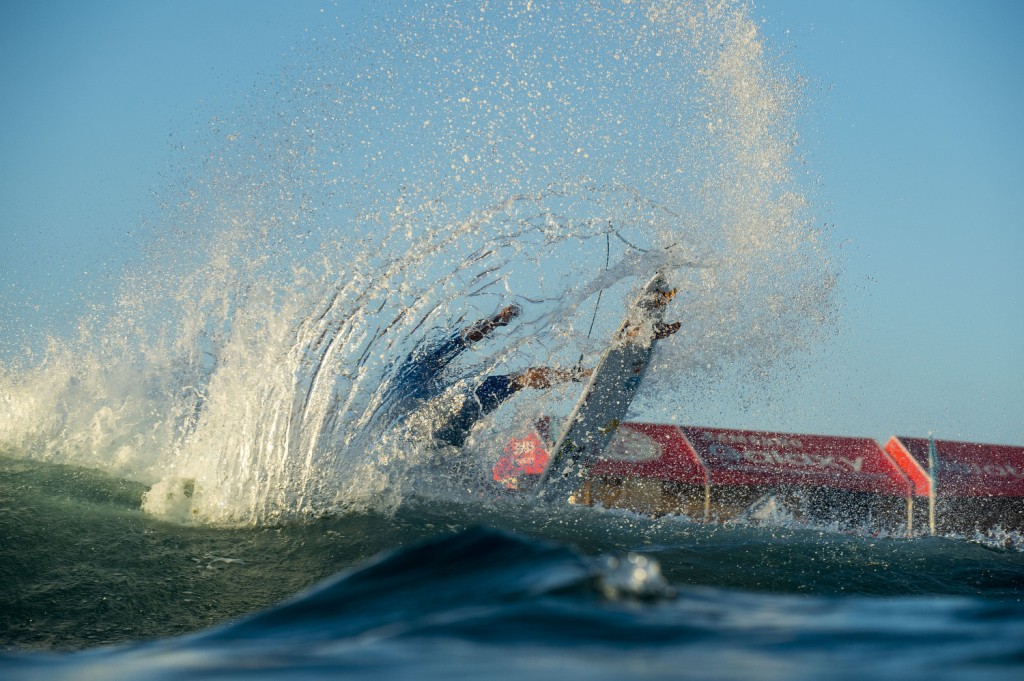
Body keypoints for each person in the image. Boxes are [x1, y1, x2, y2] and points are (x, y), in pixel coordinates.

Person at [382, 303, 589, 449]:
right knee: (520, 379)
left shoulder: (399, 384)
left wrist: (499, 320)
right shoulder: (420, 367)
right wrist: (499, 319)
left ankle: (580, 374)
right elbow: (466, 338)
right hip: (455, 405)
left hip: (417, 435)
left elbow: (464, 339)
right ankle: (582, 374)